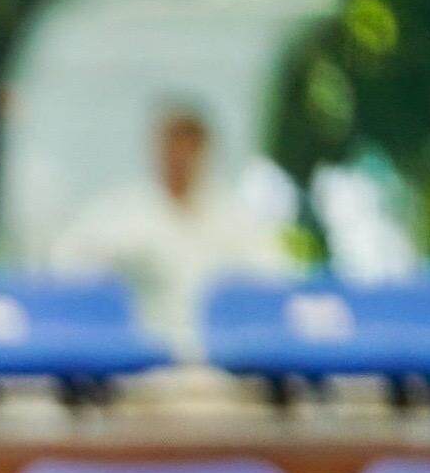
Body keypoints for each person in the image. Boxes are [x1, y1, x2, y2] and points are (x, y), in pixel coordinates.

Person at [42, 98, 298, 352]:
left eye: (188, 145)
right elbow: (68, 261)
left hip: (221, 361)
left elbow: (274, 275)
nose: (179, 156)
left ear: (204, 149)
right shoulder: (123, 211)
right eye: (171, 143)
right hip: (141, 360)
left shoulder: (235, 216)